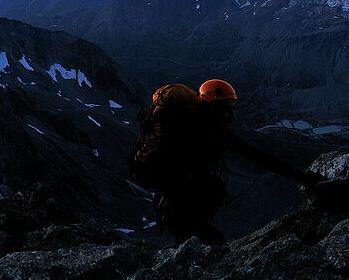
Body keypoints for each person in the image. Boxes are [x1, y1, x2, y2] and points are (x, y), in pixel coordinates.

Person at [129, 79, 321, 245]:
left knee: (208, 194)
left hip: (175, 193)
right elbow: (257, 156)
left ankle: (187, 242)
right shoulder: (197, 132)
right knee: (210, 197)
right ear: (212, 108)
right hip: (175, 195)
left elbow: (258, 156)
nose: (232, 116)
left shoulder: (205, 129)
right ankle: (191, 244)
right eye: (227, 110)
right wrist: (299, 176)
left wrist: (298, 176)